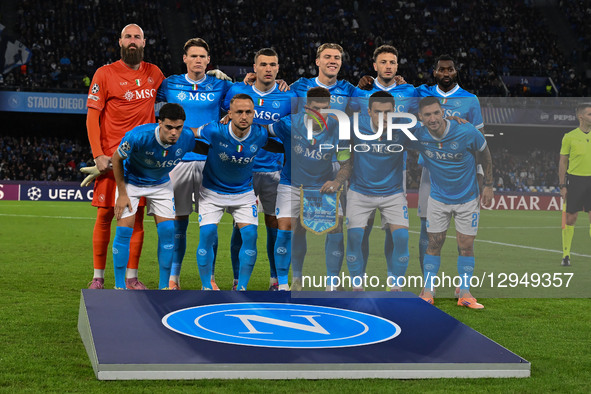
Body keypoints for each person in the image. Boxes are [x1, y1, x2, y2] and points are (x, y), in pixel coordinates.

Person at [86, 24, 165, 290]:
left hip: (141, 163)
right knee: (105, 215)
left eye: (137, 37)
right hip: (111, 159)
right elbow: (92, 117)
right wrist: (98, 154)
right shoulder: (104, 73)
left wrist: (208, 75)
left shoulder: (155, 74)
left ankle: (131, 277)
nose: (133, 41)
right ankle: (99, 276)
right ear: (120, 41)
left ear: (144, 43)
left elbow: (181, 91)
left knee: (137, 218)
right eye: (128, 36)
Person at [156, 38, 233, 290]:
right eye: (193, 56)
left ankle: (209, 278)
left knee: (210, 224)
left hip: (210, 162)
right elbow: (152, 109)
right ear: (185, 58)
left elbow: (242, 103)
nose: (198, 60)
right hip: (176, 162)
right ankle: (173, 278)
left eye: (203, 56)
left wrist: (235, 81)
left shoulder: (220, 85)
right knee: (178, 222)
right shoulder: (168, 84)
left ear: (208, 60)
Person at [222, 48, 297, 290]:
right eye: (263, 64)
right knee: (240, 225)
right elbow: (224, 116)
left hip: (275, 170)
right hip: (243, 169)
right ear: (254, 68)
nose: (268, 69)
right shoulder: (237, 91)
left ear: (278, 68)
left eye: (272, 65)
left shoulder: (289, 97)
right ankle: (236, 279)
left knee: (273, 223)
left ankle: (275, 279)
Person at [409, 97, 493, 309]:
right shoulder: (418, 135)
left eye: (436, 113)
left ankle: (464, 292)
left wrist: (489, 184)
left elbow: (485, 154)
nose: (433, 118)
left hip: (467, 198)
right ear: (421, 117)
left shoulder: (466, 131)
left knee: (466, 246)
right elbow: (392, 127)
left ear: (443, 112)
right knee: (434, 244)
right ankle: (428, 290)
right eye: (427, 115)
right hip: (438, 198)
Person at [269, 87, 352, 291]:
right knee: (288, 228)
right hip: (291, 185)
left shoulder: (338, 128)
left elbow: (346, 164)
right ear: (306, 108)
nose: (320, 114)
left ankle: (332, 282)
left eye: (324, 109)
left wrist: (337, 182)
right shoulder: (289, 124)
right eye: (315, 109)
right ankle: (288, 283)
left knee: (337, 227)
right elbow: (261, 129)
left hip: (321, 185)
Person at [194, 94, 280, 291]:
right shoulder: (215, 130)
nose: (244, 116)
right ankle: (207, 287)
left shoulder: (259, 134)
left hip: (243, 193)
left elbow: (277, 143)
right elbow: (190, 134)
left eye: (248, 112)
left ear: (254, 114)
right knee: (207, 233)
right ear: (229, 114)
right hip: (211, 192)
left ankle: (241, 288)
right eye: (239, 112)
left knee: (250, 235)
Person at [111, 103, 196, 289]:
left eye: (178, 127)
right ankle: (119, 286)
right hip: (131, 183)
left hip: (161, 184)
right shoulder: (138, 136)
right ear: (159, 123)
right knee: (124, 231)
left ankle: (164, 287)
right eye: (169, 127)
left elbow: (204, 141)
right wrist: (122, 193)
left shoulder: (187, 137)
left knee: (168, 233)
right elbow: (116, 158)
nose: (174, 132)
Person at [416, 54, 485, 280]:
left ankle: (462, 285)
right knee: (427, 228)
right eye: (441, 70)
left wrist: (481, 174)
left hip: (462, 174)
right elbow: (396, 94)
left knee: (463, 235)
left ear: (456, 71)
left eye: (450, 70)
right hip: (430, 170)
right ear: (434, 72)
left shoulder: (470, 99)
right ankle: (427, 283)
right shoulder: (422, 94)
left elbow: (480, 141)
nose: (446, 74)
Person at [345, 91, 409, 290]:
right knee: (355, 237)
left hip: (393, 193)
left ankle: (396, 287)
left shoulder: (405, 128)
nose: (383, 117)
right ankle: (357, 286)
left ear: (394, 111)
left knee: (402, 238)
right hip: (359, 192)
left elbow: (433, 130)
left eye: (388, 112)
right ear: (369, 112)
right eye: (378, 112)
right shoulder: (355, 126)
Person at [558, 102, 591, 266]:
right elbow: (563, 162)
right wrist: (562, 185)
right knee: (571, 218)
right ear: (581, 117)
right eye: (590, 114)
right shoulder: (569, 136)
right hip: (576, 180)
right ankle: (566, 255)